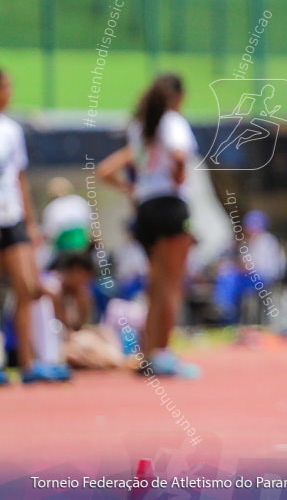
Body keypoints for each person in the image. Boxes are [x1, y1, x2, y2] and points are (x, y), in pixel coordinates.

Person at [97, 73, 200, 378]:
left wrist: (134, 189)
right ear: (178, 97)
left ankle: (149, 352)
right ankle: (164, 353)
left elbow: (107, 169)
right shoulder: (173, 122)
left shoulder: (139, 127)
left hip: (146, 207)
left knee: (156, 285)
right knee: (172, 284)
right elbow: (180, 155)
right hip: (170, 204)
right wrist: (179, 177)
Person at [0, 69, 64, 384]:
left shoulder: (11, 130)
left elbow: (19, 178)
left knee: (27, 288)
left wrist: (32, 222)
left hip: (11, 218)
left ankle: (27, 363)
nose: (9, 92)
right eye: (6, 86)